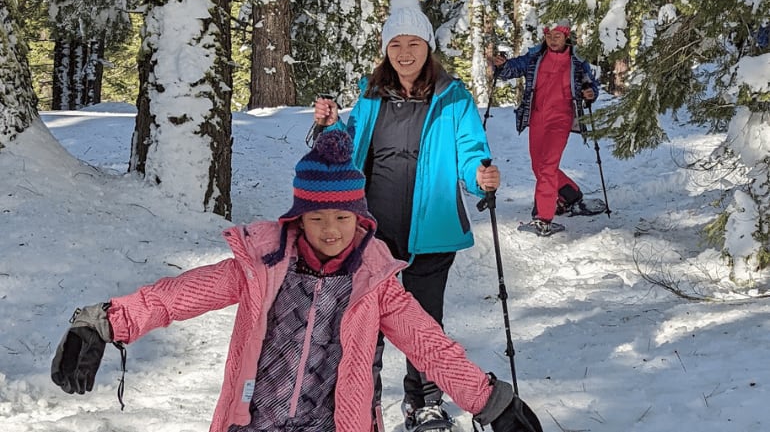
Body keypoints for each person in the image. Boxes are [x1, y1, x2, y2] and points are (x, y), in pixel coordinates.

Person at [49, 129, 532, 432]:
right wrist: (104, 322)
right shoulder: (264, 266)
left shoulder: (374, 281)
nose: (330, 230)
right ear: (298, 218)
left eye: (342, 217)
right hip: (254, 421)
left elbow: (429, 345)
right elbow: (179, 296)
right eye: (317, 218)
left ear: (361, 218)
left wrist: (489, 399)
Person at [312, 0, 501, 430]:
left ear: (428, 47)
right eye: (395, 45)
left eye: (413, 43)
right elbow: (349, 144)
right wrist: (330, 124)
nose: (404, 53)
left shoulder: (453, 98)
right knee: (365, 319)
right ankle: (360, 402)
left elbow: (472, 151)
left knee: (424, 322)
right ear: (386, 50)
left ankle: (425, 402)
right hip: (371, 229)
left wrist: (481, 177)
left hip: (432, 228)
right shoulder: (372, 94)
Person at [491, 19, 600, 237]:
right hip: (538, 117)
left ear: (566, 36)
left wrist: (590, 94)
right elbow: (511, 70)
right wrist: (502, 65)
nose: (552, 40)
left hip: (561, 118)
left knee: (548, 166)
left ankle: (543, 218)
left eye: (557, 36)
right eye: (549, 36)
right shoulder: (535, 57)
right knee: (538, 166)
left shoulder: (576, 61)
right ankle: (571, 195)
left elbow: (590, 86)